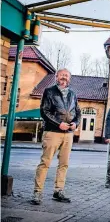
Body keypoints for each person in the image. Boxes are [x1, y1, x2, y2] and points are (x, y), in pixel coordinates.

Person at [31, 68, 81, 205]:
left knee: (64, 164)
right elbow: (44, 111)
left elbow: (78, 112)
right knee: (45, 162)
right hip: (53, 132)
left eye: (66, 75)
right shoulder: (49, 91)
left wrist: (75, 123)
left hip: (68, 135)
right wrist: (59, 124)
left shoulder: (73, 94)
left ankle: (58, 191)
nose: (64, 77)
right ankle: (37, 192)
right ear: (56, 77)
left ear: (69, 78)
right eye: (61, 75)